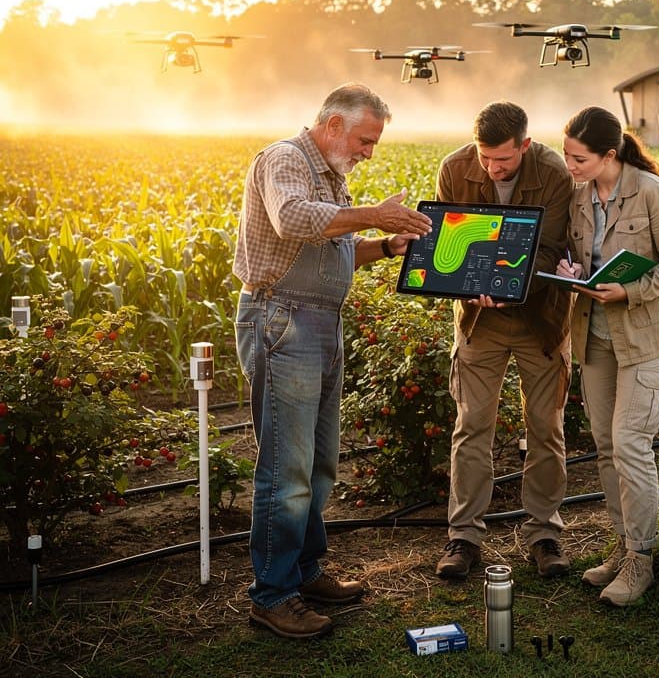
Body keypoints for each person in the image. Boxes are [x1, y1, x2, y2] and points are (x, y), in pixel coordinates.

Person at [233, 82, 432, 639]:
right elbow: (293, 220)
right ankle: (272, 596)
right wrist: (374, 216)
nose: (370, 151)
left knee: (319, 463)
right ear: (335, 125)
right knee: (286, 468)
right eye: (367, 140)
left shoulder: (333, 177)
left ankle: (303, 571)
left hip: (320, 321)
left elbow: (333, 247)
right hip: (283, 319)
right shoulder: (285, 160)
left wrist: (384, 246)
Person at [556, 106, 659, 606]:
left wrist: (629, 291)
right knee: (605, 443)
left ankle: (642, 559)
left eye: (578, 158)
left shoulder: (652, 193)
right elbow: (582, 257)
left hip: (646, 335)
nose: (569, 164)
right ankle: (622, 547)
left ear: (608, 155)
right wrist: (572, 270)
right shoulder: (579, 198)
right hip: (595, 334)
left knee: (630, 441)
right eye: (567, 154)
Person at [434, 100, 575, 581]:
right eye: (485, 158)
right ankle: (464, 536)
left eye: (504, 161)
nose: (492, 169)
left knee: (546, 426)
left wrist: (503, 283)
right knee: (472, 424)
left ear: (526, 146)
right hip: (478, 320)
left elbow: (552, 248)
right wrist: (467, 283)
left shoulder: (555, 173)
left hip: (542, 318)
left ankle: (544, 533)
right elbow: (447, 246)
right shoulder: (454, 168)